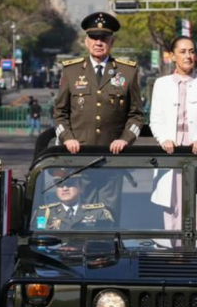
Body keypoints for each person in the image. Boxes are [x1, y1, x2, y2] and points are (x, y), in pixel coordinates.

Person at [52, 11, 144, 218]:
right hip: (78, 158)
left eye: (104, 38)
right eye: (94, 38)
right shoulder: (71, 71)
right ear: (86, 42)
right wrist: (67, 138)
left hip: (111, 160)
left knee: (108, 214)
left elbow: (136, 115)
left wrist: (125, 139)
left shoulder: (127, 72)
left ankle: (107, 251)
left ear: (112, 41)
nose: (99, 42)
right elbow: (59, 113)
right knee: (79, 215)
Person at [148, 35, 197, 230]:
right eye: (182, 52)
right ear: (173, 56)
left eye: (191, 51)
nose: (188, 56)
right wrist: (163, 139)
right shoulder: (161, 84)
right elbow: (155, 120)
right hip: (171, 153)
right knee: (171, 207)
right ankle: (174, 257)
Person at [33, 171, 114, 231]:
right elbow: (38, 239)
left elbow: (105, 241)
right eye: (59, 184)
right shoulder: (44, 213)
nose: (64, 188)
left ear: (81, 187)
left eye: (70, 184)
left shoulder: (98, 213)